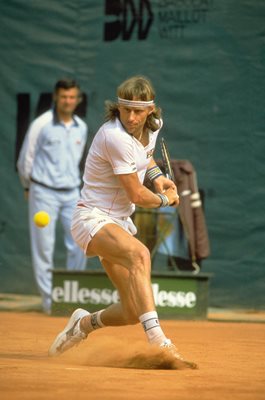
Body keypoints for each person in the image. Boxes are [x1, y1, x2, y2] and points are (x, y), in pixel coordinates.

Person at [48, 76, 196, 368]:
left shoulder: (152, 129)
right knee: (140, 254)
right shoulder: (113, 135)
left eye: (137, 111)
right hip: (91, 217)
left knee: (131, 311)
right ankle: (159, 342)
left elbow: (146, 158)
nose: (130, 117)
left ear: (151, 110)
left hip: (119, 222)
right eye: (124, 109)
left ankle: (83, 324)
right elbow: (137, 195)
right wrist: (166, 199)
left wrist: (159, 178)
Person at [17, 78, 88, 314]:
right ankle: (50, 303)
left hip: (71, 194)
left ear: (77, 99)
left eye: (72, 97)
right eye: (64, 96)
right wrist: (29, 187)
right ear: (56, 98)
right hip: (43, 192)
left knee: (80, 243)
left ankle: (72, 296)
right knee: (43, 247)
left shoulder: (81, 126)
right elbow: (25, 159)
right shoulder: (41, 124)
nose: (68, 101)